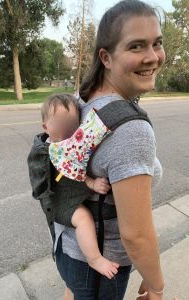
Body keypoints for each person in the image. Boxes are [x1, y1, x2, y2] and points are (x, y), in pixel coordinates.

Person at [54, 0, 170, 299]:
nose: (153, 57)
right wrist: (156, 285)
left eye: (157, 43)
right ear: (105, 57)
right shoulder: (130, 130)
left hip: (69, 247)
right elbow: (136, 235)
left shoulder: (79, 100)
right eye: (136, 46)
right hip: (103, 265)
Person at [39, 93, 119, 279]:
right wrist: (92, 183)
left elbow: (78, 163)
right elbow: (72, 170)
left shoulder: (70, 143)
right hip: (58, 201)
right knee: (83, 218)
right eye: (61, 127)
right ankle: (95, 259)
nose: (69, 135)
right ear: (46, 127)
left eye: (73, 127)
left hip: (67, 197)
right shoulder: (53, 149)